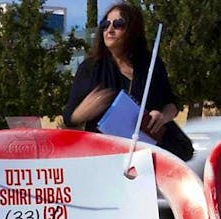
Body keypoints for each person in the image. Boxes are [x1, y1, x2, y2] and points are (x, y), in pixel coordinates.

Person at [63, 3, 178, 140]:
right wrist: (82, 112)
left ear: (132, 30)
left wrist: (162, 116)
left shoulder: (151, 64)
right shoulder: (90, 67)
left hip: (144, 151)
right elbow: (68, 118)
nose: (109, 29)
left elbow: (172, 104)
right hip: (106, 153)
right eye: (105, 24)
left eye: (118, 24)